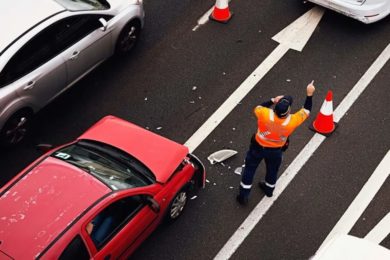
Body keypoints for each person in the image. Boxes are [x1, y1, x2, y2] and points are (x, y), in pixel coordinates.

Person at [236, 81, 316, 205]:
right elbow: (306, 110)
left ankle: (243, 196)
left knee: (250, 170)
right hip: (275, 151)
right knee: (272, 170)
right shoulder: (292, 121)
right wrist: (309, 93)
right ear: (288, 111)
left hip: (257, 147)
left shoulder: (265, 114)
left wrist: (273, 100)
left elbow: (258, 107)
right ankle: (269, 189)